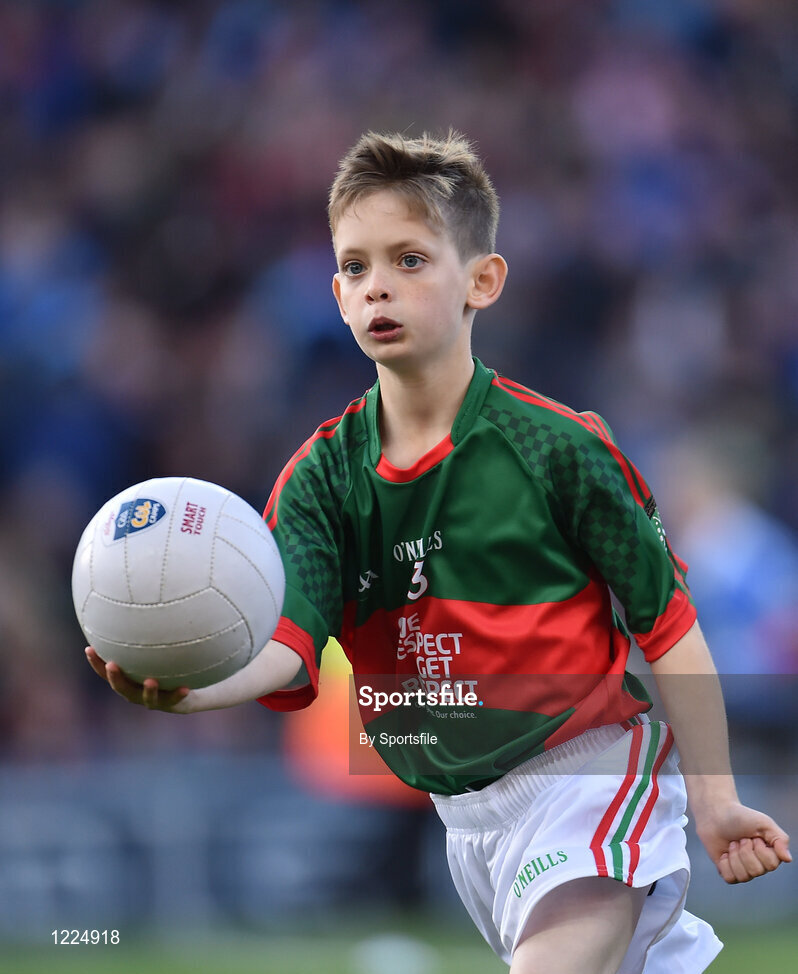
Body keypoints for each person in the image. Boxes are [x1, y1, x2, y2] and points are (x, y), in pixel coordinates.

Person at [86, 130, 791, 973]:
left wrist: (714, 798)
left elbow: (670, 627)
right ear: (339, 296)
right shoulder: (317, 482)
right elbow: (285, 643)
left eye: (410, 260)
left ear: (481, 282)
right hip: (468, 818)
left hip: (594, 775)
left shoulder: (558, 448)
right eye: (355, 267)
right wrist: (190, 695)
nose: (377, 284)